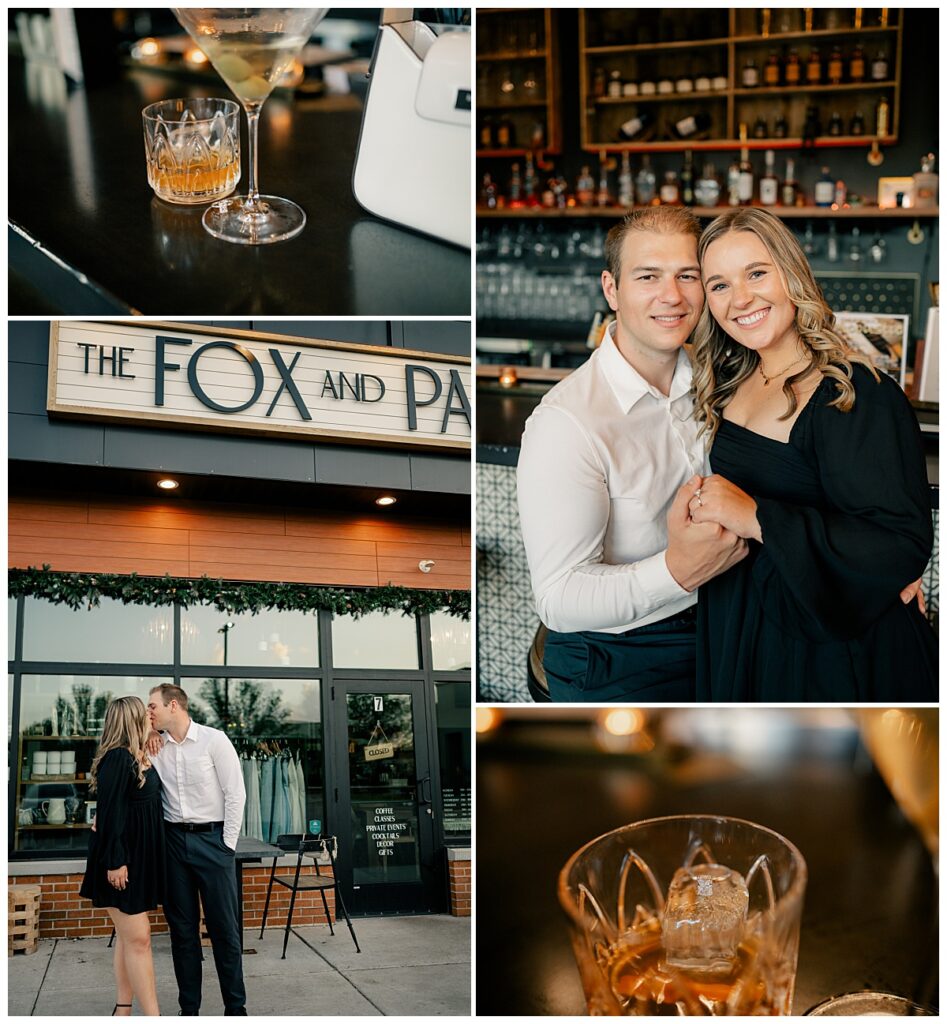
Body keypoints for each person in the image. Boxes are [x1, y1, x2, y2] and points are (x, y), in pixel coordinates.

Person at [689, 207, 937, 699]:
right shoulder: (727, 382)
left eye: (757, 273)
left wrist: (757, 517)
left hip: (826, 651)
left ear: (791, 273)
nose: (741, 299)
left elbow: (899, 541)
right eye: (719, 285)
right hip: (741, 626)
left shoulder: (854, 391)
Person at [517, 206, 747, 700]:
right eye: (649, 276)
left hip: (722, 623)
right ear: (611, 289)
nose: (673, 296)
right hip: (617, 656)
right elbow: (558, 599)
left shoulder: (721, 378)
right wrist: (676, 572)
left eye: (689, 276)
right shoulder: (567, 424)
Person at [146, 684, 248, 1016]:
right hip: (173, 844)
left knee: (224, 931)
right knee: (182, 933)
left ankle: (236, 1008)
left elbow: (236, 794)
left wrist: (226, 846)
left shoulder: (213, 740)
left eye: (152, 707)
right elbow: (122, 756)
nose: (149, 713)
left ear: (172, 706)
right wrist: (146, 731)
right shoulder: (154, 746)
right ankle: (188, 1010)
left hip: (212, 842)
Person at [79, 696, 164, 1016]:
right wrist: (115, 861)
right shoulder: (117, 758)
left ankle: (123, 1009)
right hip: (119, 861)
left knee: (131, 939)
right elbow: (111, 813)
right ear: (131, 720)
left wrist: (155, 735)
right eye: (144, 715)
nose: (149, 717)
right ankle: (154, 1016)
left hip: (138, 860)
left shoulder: (137, 754)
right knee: (139, 938)